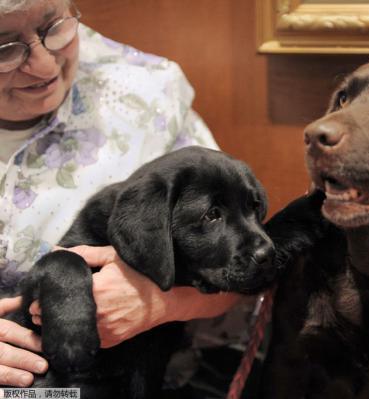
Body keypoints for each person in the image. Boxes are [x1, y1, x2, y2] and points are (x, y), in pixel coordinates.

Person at [0, 0, 242, 388]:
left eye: (55, 27)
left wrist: (159, 304)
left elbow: (239, 269)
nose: (45, 67)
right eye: (6, 50)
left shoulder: (149, 92)